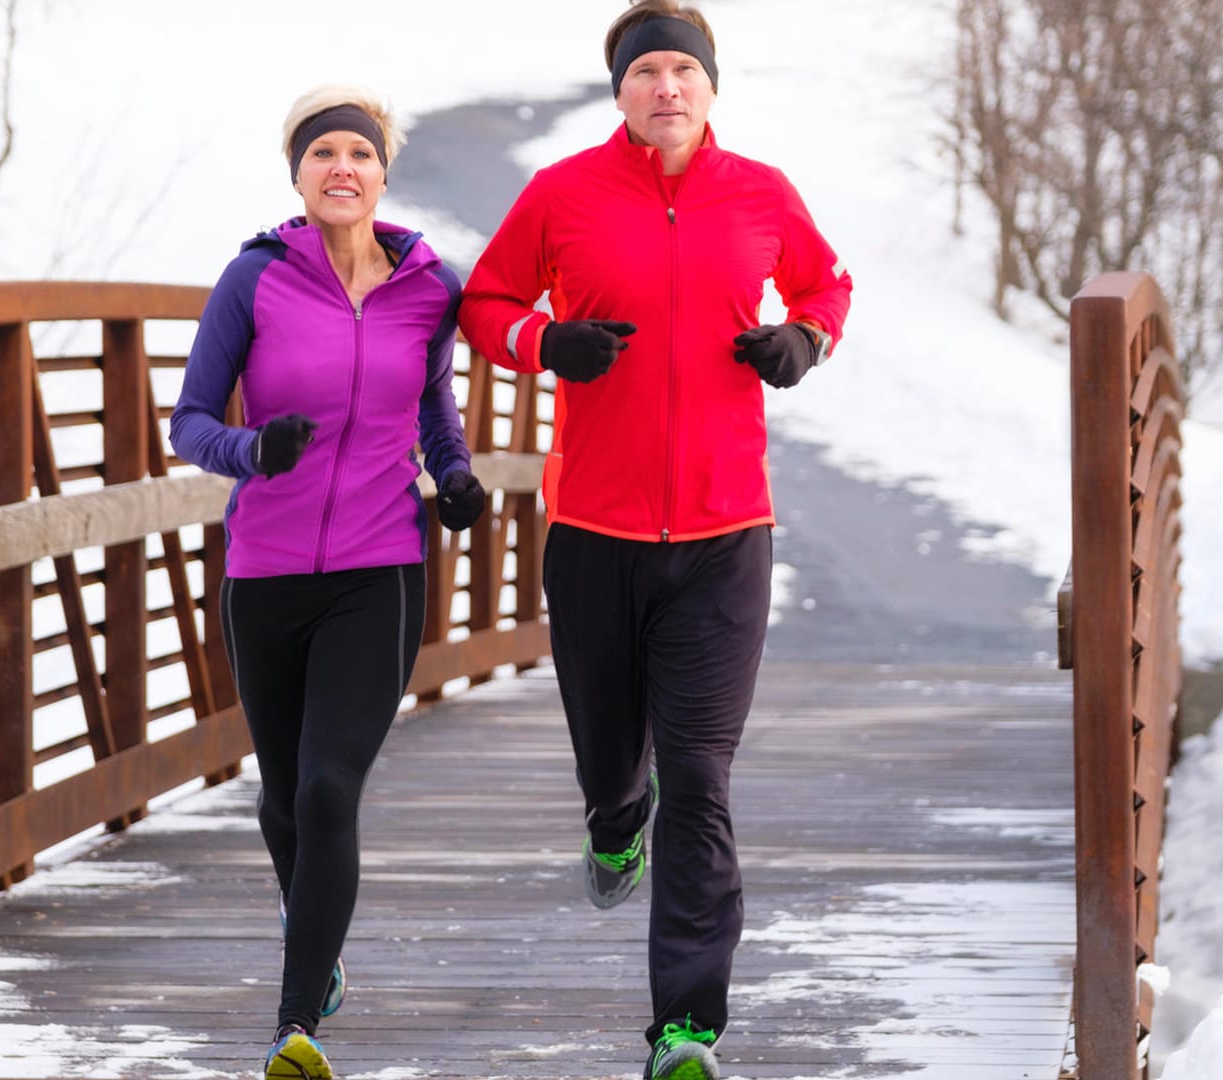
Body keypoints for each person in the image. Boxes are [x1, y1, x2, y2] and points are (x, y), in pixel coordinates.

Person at [459, 3, 853, 1077]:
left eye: (684, 71)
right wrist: (548, 340)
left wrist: (801, 339)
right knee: (610, 754)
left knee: (701, 770)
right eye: (647, 74)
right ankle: (609, 818)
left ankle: (686, 1025)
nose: (666, 88)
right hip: (594, 528)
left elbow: (826, 282)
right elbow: (484, 302)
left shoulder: (761, 193)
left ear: (710, 88)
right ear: (620, 92)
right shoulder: (562, 195)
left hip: (726, 534)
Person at [169, 84, 488, 1080]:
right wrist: (256, 450)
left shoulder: (429, 289)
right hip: (264, 568)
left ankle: (295, 1022)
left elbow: (434, 408)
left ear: (383, 171)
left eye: (359, 152)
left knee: (326, 787)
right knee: (280, 798)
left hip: (379, 564)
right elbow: (188, 425)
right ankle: (322, 947)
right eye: (322, 155)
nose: (341, 167)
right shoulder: (252, 280)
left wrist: (461, 476)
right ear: (298, 176)